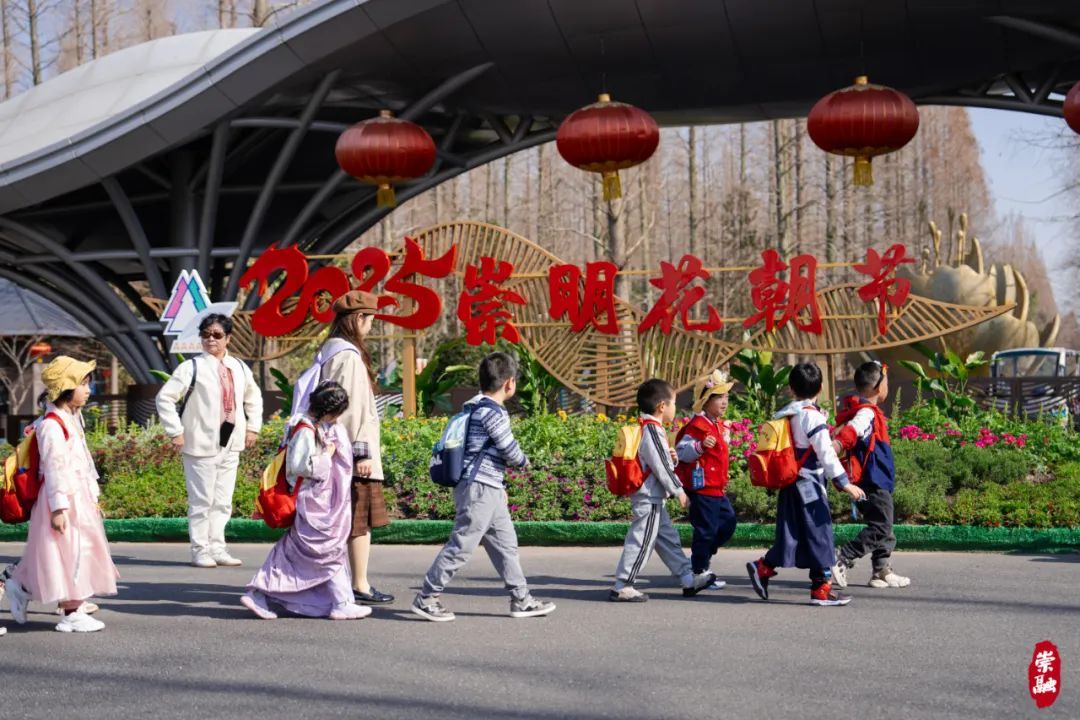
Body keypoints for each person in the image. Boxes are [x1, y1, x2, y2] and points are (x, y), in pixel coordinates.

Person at [412, 352, 555, 622]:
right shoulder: (493, 412)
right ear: (510, 383)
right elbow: (508, 448)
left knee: (506, 545)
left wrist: (500, 485)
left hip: (489, 488)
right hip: (479, 490)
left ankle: (521, 599)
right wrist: (525, 462)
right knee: (462, 544)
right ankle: (427, 598)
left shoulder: (475, 407)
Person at [4, 356, 119, 633]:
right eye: (83, 384)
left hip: (76, 498)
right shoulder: (52, 425)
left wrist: (92, 495)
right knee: (71, 554)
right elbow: (55, 468)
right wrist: (58, 508)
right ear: (66, 388)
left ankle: (22, 586)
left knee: (68, 553)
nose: (89, 390)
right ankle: (71, 612)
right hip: (64, 500)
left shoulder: (70, 419)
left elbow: (83, 463)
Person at [242, 381, 371, 621]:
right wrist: (328, 455)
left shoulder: (307, 425)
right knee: (326, 551)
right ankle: (338, 602)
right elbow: (301, 466)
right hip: (313, 502)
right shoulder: (305, 430)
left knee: (316, 551)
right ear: (329, 411)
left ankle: (340, 601)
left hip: (315, 501)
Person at [746, 363, 866, 607]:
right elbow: (826, 453)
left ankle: (764, 567)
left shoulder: (788, 413)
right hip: (809, 484)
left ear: (791, 389)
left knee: (793, 532)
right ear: (820, 388)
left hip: (791, 482)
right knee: (820, 532)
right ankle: (821, 588)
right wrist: (845, 483)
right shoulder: (812, 416)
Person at [156, 313, 263, 568]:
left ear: (228, 338)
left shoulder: (239, 367)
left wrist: (253, 428)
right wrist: (175, 431)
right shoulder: (191, 367)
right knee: (201, 501)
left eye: (216, 335)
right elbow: (164, 398)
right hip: (200, 442)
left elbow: (253, 397)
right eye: (205, 334)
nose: (210, 339)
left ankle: (217, 547)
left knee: (223, 500)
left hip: (231, 441)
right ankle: (200, 550)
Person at [609, 378, 716, 603]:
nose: (675, 408)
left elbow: (659, 461)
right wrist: (679, 490)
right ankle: (623, 584)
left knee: (668, 539)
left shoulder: (649, 428)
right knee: (642, 540)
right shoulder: (652, 430)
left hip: (654, 496)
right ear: (661, 406)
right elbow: (661, 467)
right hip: (649, 497)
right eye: (674, 403)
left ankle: (687, 578)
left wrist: (672, 458)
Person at [320, 290, 393, 605]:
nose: (371, 326)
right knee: (358, 521)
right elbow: (352, 409)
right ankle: (359, 585)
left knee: (344, 520)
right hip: (353, 453)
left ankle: (341, 583)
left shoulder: (329, 350)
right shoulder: (348, 356)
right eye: (370, 319)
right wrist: (361, 453)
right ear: (359, 318)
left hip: (334, 449)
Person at [830, 361, 911, 589]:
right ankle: (843, 557)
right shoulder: (866, 412)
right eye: (886, 382)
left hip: (877, 479)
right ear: (878, 386)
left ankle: (881, 571)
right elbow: (851, 432)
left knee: (885, 527)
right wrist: (837, 445)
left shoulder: (867, 411)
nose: (888, 386)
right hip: (872, 481)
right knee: (881, 527)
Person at [675, 369, 737, 587]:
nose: (724, 401)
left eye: (726, 396)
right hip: (702, 489)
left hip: (715, 488)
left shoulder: (716, 424)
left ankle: (702, 559)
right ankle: (699, 571)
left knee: (728, 523)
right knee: (706, 531)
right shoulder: (696, 426)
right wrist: (699, 446)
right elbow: (681, 452)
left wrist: (724, 440)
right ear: (706, 400)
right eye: (718, 397)